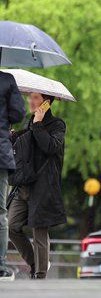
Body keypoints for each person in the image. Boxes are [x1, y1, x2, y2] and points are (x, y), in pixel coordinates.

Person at [8, 93, 66, 279]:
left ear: (46, 103)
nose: (30, 101)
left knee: (39, 230)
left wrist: (39, 124)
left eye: (35, 98)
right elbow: (23, 144)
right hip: (23, 185)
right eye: (30, 98)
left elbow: (51, 147)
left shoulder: (57, 125)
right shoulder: (29, 122)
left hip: (43, 186)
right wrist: (11, 135)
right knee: (12, 226)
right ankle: (35, 263)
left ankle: (40, 274)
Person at [0, 72, 25, 281]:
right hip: (0, 154)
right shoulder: (7, 80)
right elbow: (18, 114)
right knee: (0, 212)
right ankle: (0, 266)